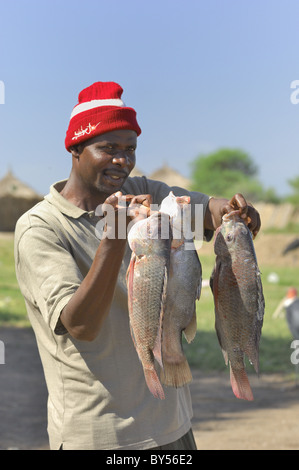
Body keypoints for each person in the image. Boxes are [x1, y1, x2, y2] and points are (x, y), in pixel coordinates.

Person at [14, 81, 261, 450]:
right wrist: (113, 239)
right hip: (101, 436)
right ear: (76, 149)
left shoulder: (147, 193)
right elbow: (80, 325)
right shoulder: (41, 228)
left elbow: (208, 211)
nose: (122, 160)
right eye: (108, 148)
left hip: (172, 428)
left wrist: (234, 212)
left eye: (129, 149)